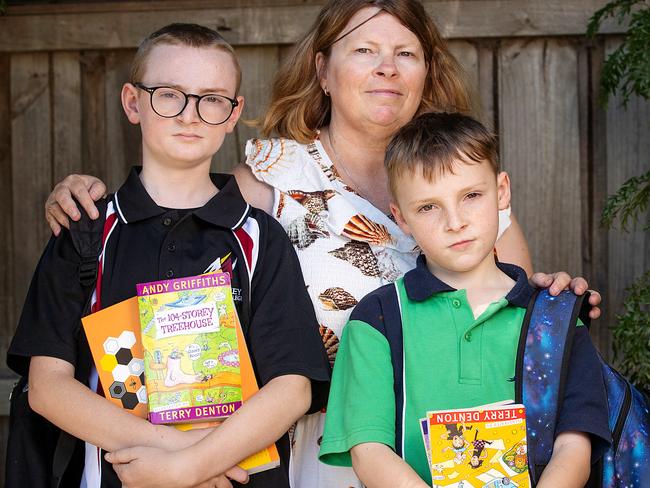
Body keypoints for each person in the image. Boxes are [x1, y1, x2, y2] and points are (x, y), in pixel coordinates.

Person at [42, 1, 602, 486]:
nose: (387, 68)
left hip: (458, 445)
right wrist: (83, 195)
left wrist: (554, 296)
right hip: (312, 443)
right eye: (364, 51)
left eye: (405, 53)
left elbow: (519, 328)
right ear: (323, 71)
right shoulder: (267, 180)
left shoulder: (463, 182)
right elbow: (172, 212)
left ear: (426, 73)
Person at [8, 23, 330, 488]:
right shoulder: (85, 231)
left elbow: (292, 386)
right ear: (133, 102)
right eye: (169, 94)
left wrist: (190, 467)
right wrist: (182, 455)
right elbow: (47, 388)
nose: (190, 115)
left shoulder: (261, 237)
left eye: (212, 98)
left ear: (234, 112)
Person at [318, 112, 611, 487]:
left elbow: (575, 446)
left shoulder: (555, 317)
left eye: (471, 195)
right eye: (428, 206)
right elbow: (368, 449)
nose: (455, 221)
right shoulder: (377, 319)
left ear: (502, 191)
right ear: (401, 217)